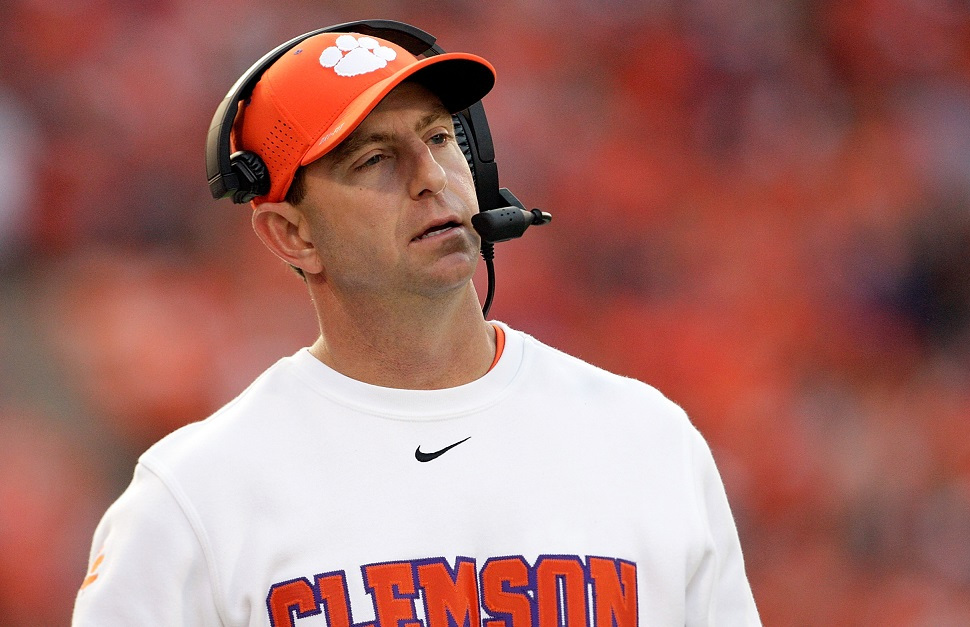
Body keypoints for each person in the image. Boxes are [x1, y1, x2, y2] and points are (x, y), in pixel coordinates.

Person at [72, 24, 761, 626]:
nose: (431, 177)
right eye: (374, 160)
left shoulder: (648, 440)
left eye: (437, 137)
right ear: (291, 235)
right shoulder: (193, 500)